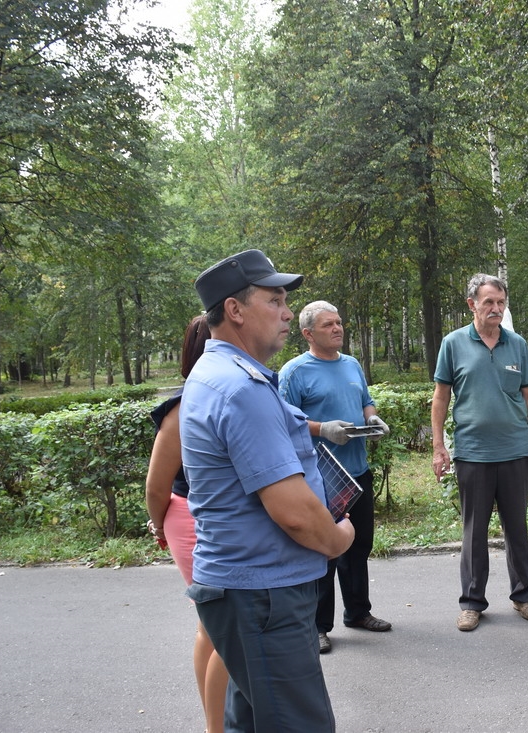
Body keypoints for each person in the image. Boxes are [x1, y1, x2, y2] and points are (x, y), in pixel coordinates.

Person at [180, 249, 355, 733]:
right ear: (235, 310)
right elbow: (294, 512)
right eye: (275, 300)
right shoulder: (241, 388)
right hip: (263, 595)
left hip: (250, 592)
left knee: (253, 722)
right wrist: (339, 538)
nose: (285, 313)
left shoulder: (222, 375)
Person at [431, 273, 528, 632]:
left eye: (500, 302)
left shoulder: (517, 344)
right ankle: (471, 602)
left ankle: (524, 596)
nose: (496, 309)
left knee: (517, 528)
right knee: (474, 531)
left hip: (514, 452)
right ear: (472, 305)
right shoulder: (453, 344)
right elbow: (440, 398)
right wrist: (439, 448)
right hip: (472, 453)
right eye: (488, 303)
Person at [279, 301, 392, 655]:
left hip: (357, 472)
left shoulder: (352, 364)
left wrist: (372, 418)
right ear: (308, 333)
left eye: (339, 322)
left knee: (358, 547)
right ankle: (317, 627)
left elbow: (366, 400)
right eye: (328, 325)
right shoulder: (295, 372)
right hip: (320, 477)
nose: (337, 328)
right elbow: (283, 422)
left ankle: (358, 613)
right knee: (324, 551)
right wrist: (322, 429)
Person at [144, 315, 229, 733]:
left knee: (212, 627)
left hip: (203, 517)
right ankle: (218, 725)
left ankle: (218, 719)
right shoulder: (183, 407)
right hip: (191, 519)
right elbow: (157, 487)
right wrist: (159, 525)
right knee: (225, 628)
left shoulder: (222, 393)